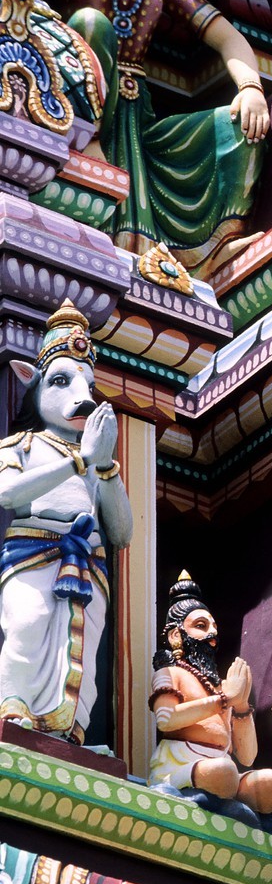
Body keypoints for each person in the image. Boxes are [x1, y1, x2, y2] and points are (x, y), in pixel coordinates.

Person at [20, 0, 269, 274]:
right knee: (91, 22)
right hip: (79, 102)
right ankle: (88, 139)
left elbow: (228, 36)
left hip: (139, 119)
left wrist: (250, 88)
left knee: (241, 129)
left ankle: (217, 247)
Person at [0, 300, 132, 743]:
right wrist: (80, 461)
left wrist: (106, 465)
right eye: (61, 381)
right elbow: (8, 494)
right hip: (32, 550)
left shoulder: (99, 464)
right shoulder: (21, 444)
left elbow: (123, 531)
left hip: (86, 560)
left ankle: (69, 729)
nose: (82, 395)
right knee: (28, 623)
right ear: (31, 385)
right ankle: (13, 710)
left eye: (89, 385)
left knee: (82, 645)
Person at [149, 571, 272, 812]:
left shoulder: (220, 686)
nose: (212, 634)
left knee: (268, 784)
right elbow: (165, 720)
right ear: (176, 635)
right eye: (201, 626)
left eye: (214, 626)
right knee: (223, 773)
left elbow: (248, 758)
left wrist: (240, 705)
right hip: (181, 763)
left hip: (222, 764)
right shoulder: (170, 674)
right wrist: (223, 699)